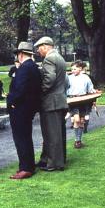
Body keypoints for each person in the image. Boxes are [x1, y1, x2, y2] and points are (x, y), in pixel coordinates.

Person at [7, 42, 42, 180]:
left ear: (20, 54)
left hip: (21, 109)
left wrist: (11, 102)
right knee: (25, 137)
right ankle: (27, 165)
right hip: (28, 108)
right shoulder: (33, 67)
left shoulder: (24, 68)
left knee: (21, 138)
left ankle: (26, 168)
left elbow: (20, 90)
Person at [34, 36, 68, 171]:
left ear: (45, 46)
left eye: (39, 48)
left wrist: (41, 91)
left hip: (51, 102)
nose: (38, 51)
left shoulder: (49, 59)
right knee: (59, 132)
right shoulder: (60, 58)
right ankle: (55, 159)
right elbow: (64, 81)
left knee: (51, 134)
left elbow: (50, 78)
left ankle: (54, 163)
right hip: (60, 100)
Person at [66, 61, 95, 149]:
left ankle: (78, 141)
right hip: (73, 101)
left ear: (80, 68)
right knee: (77, 120)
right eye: (72, 69)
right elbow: (65, 88)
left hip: (84, 100)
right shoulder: (68, 78)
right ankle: (76, 138)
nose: (73, 70)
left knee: (82, 121)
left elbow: (90, 88)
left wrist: (94, 94)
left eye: (75, 68)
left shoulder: (86, 77)